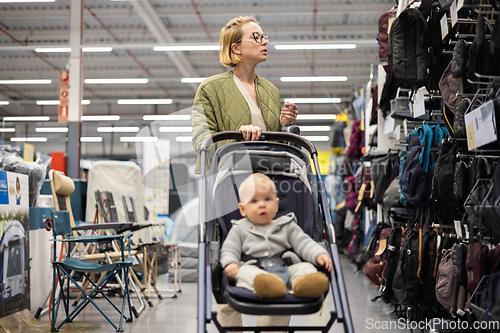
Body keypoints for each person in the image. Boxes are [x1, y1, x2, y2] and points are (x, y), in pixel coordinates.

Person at [191, 16, 298, 174]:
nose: (264, 42)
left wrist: (283, 124)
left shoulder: (271, 90)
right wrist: (237, 139)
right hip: (227, 180)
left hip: (268, 179)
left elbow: (275, 144)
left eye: (263, 37)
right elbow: (202, 141)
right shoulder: (210, 88)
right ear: (236, 48)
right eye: (256, 37)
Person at [221, 173, 332, 299]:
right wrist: (230, 263)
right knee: (243, 272)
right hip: (255, 270)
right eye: (254, 201)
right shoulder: (239, 229)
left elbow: (305, 243)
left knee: (306, 267)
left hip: (286, 268)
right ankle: (269, 286)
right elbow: (229, 250)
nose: (262, 205)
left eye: (267, 199)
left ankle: (304, 284)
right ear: (242, 209)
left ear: (277, 204)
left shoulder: (286, 225)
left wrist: (319, 254)